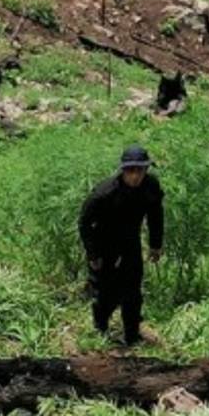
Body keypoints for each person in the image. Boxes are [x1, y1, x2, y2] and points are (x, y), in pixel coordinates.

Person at [78, 145, 164, 346]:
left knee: (133, 291)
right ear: (123, 171)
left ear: (146, 170)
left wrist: (155, 244)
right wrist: (93, 254)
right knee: (106, 291)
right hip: (104, 242)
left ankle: (132, 336)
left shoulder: (150, 186)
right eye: (130, 171)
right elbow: (84, 223)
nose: (135, 176)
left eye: (139, 171)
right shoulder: (105, 193)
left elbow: (156, 214)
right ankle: (100, 329)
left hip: (130, 241)